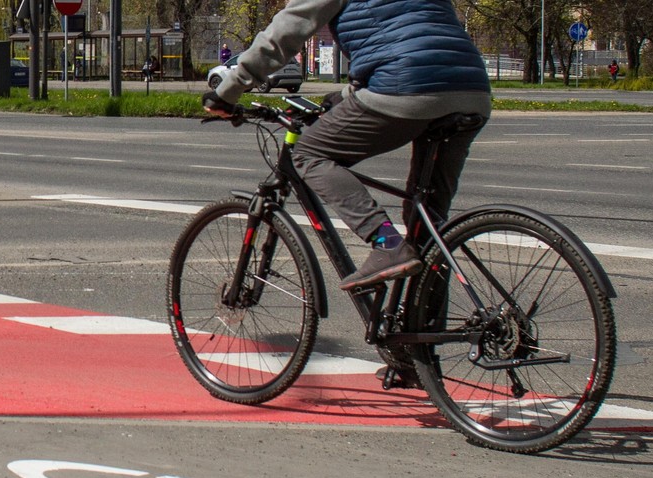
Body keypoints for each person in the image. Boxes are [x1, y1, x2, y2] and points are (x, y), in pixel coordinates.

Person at [202, 0, 491, 291]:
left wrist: (229, 89)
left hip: (405, 85)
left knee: (308, 153)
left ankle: (386, 242)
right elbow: (410, 35)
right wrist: (345, 96)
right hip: (472, 88)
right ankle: (422, 332)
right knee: (429, 228)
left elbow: (287, 30)